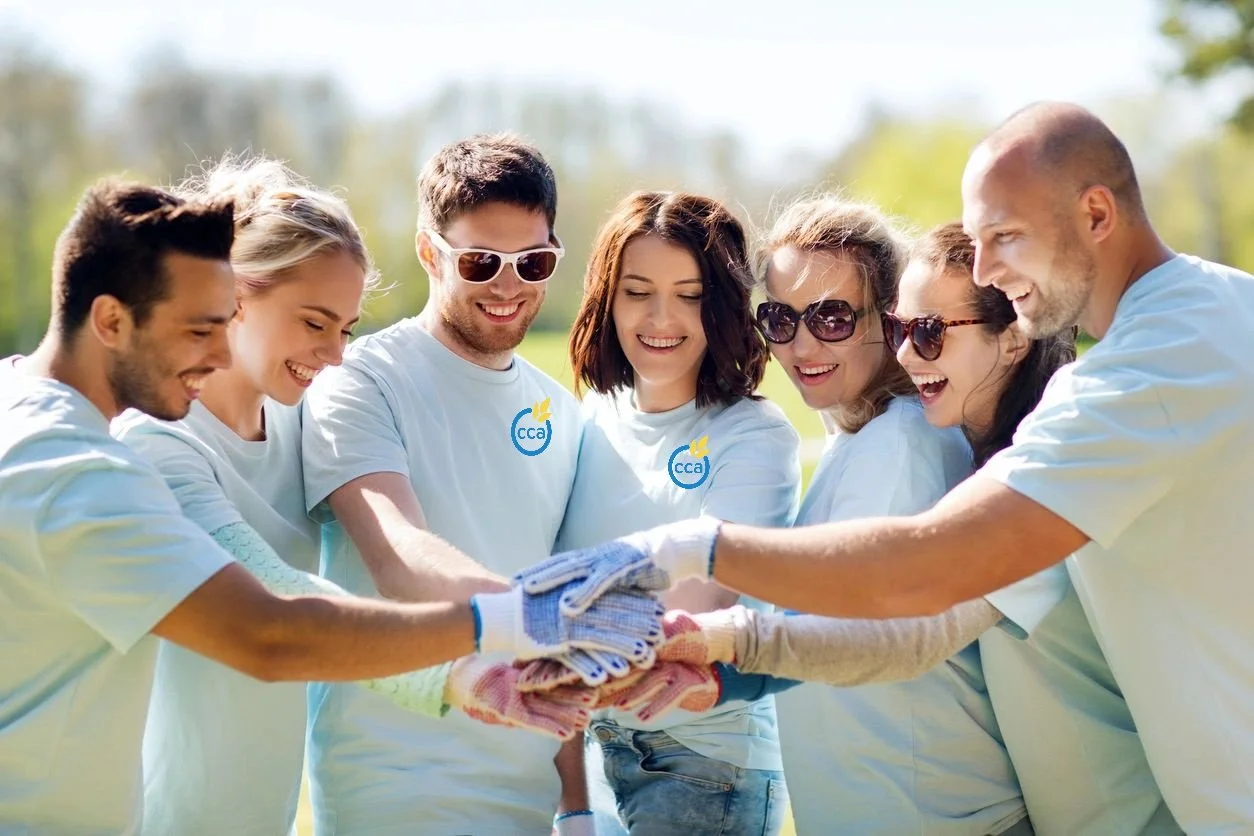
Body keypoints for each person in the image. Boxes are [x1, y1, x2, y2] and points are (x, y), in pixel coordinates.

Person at [524, 102, 1254, 832]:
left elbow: (919, 580)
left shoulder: (1140, 374)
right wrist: (730, 649)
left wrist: (691, 553)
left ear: (1097, 212)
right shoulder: (1195, 326)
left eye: (1005, 237)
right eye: (780, 318)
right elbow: (923, 630)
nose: (991, 268)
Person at [0, 180, 655, 834]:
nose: (337, 354)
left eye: (346, 328)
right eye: (204, 327)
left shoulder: (291, 424)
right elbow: (276, 619)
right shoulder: (106, 458)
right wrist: (505, 629)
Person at [652, 222, 1179, 835]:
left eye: (832, 318)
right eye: (779, 319)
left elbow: (892, 635)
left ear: (1013, 337)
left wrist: (703, 603)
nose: (906, 353)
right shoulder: (953, 451)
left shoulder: (975, 467)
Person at [299, 134, 599, 835]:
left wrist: (578, 808)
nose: (509, 283)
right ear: (430, 253)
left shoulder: (562, 410)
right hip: (393, 790)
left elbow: (558, 593)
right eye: (480, 261)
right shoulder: (359, 379)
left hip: (526, 799)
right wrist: (540, 618)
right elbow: (398, 555)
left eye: (534, 261)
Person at [733, 196, 1026, 834]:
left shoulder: (903, 442)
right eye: (780, 319)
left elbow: (852, 629)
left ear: (889, 320)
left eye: (833, 317)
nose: (802, 344)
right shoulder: (864, 438)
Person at [554, 190, 800, 835]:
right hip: (587, 757)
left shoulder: (755, 435)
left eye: (689, 294)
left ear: (720, 305)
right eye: (638, 291)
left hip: (704, 767)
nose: (662, 317)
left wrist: (538, 629)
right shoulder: (590, 421)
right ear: (607, 299)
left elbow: (697, 605)